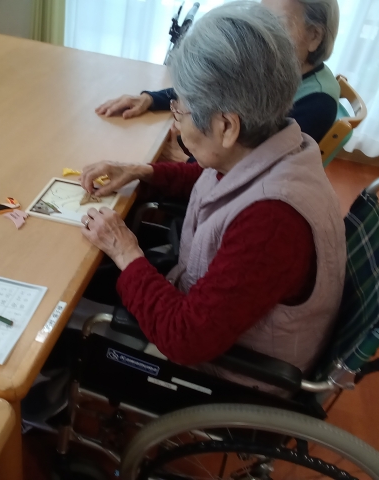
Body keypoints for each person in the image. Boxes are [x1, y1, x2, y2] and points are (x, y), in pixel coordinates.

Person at [79, 1, 346, 391]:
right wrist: (141, 171)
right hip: (212, 310)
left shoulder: (272, 222)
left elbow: (185, 339)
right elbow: (213, 179)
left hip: (225, 378)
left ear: (226, 126)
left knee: (70, 334)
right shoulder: (273, 141)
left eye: (180, 111)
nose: (176, 123)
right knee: (92, 278)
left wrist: (125, 250)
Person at [96, 0, 340, 161]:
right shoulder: (271, 66)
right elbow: (212, 88)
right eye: (261, 20)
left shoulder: (318, 103)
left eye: (276, 24)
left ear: (314, 36)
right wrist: (151, 99)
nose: (264, 33)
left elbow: (262, 169)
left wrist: (190, 161)